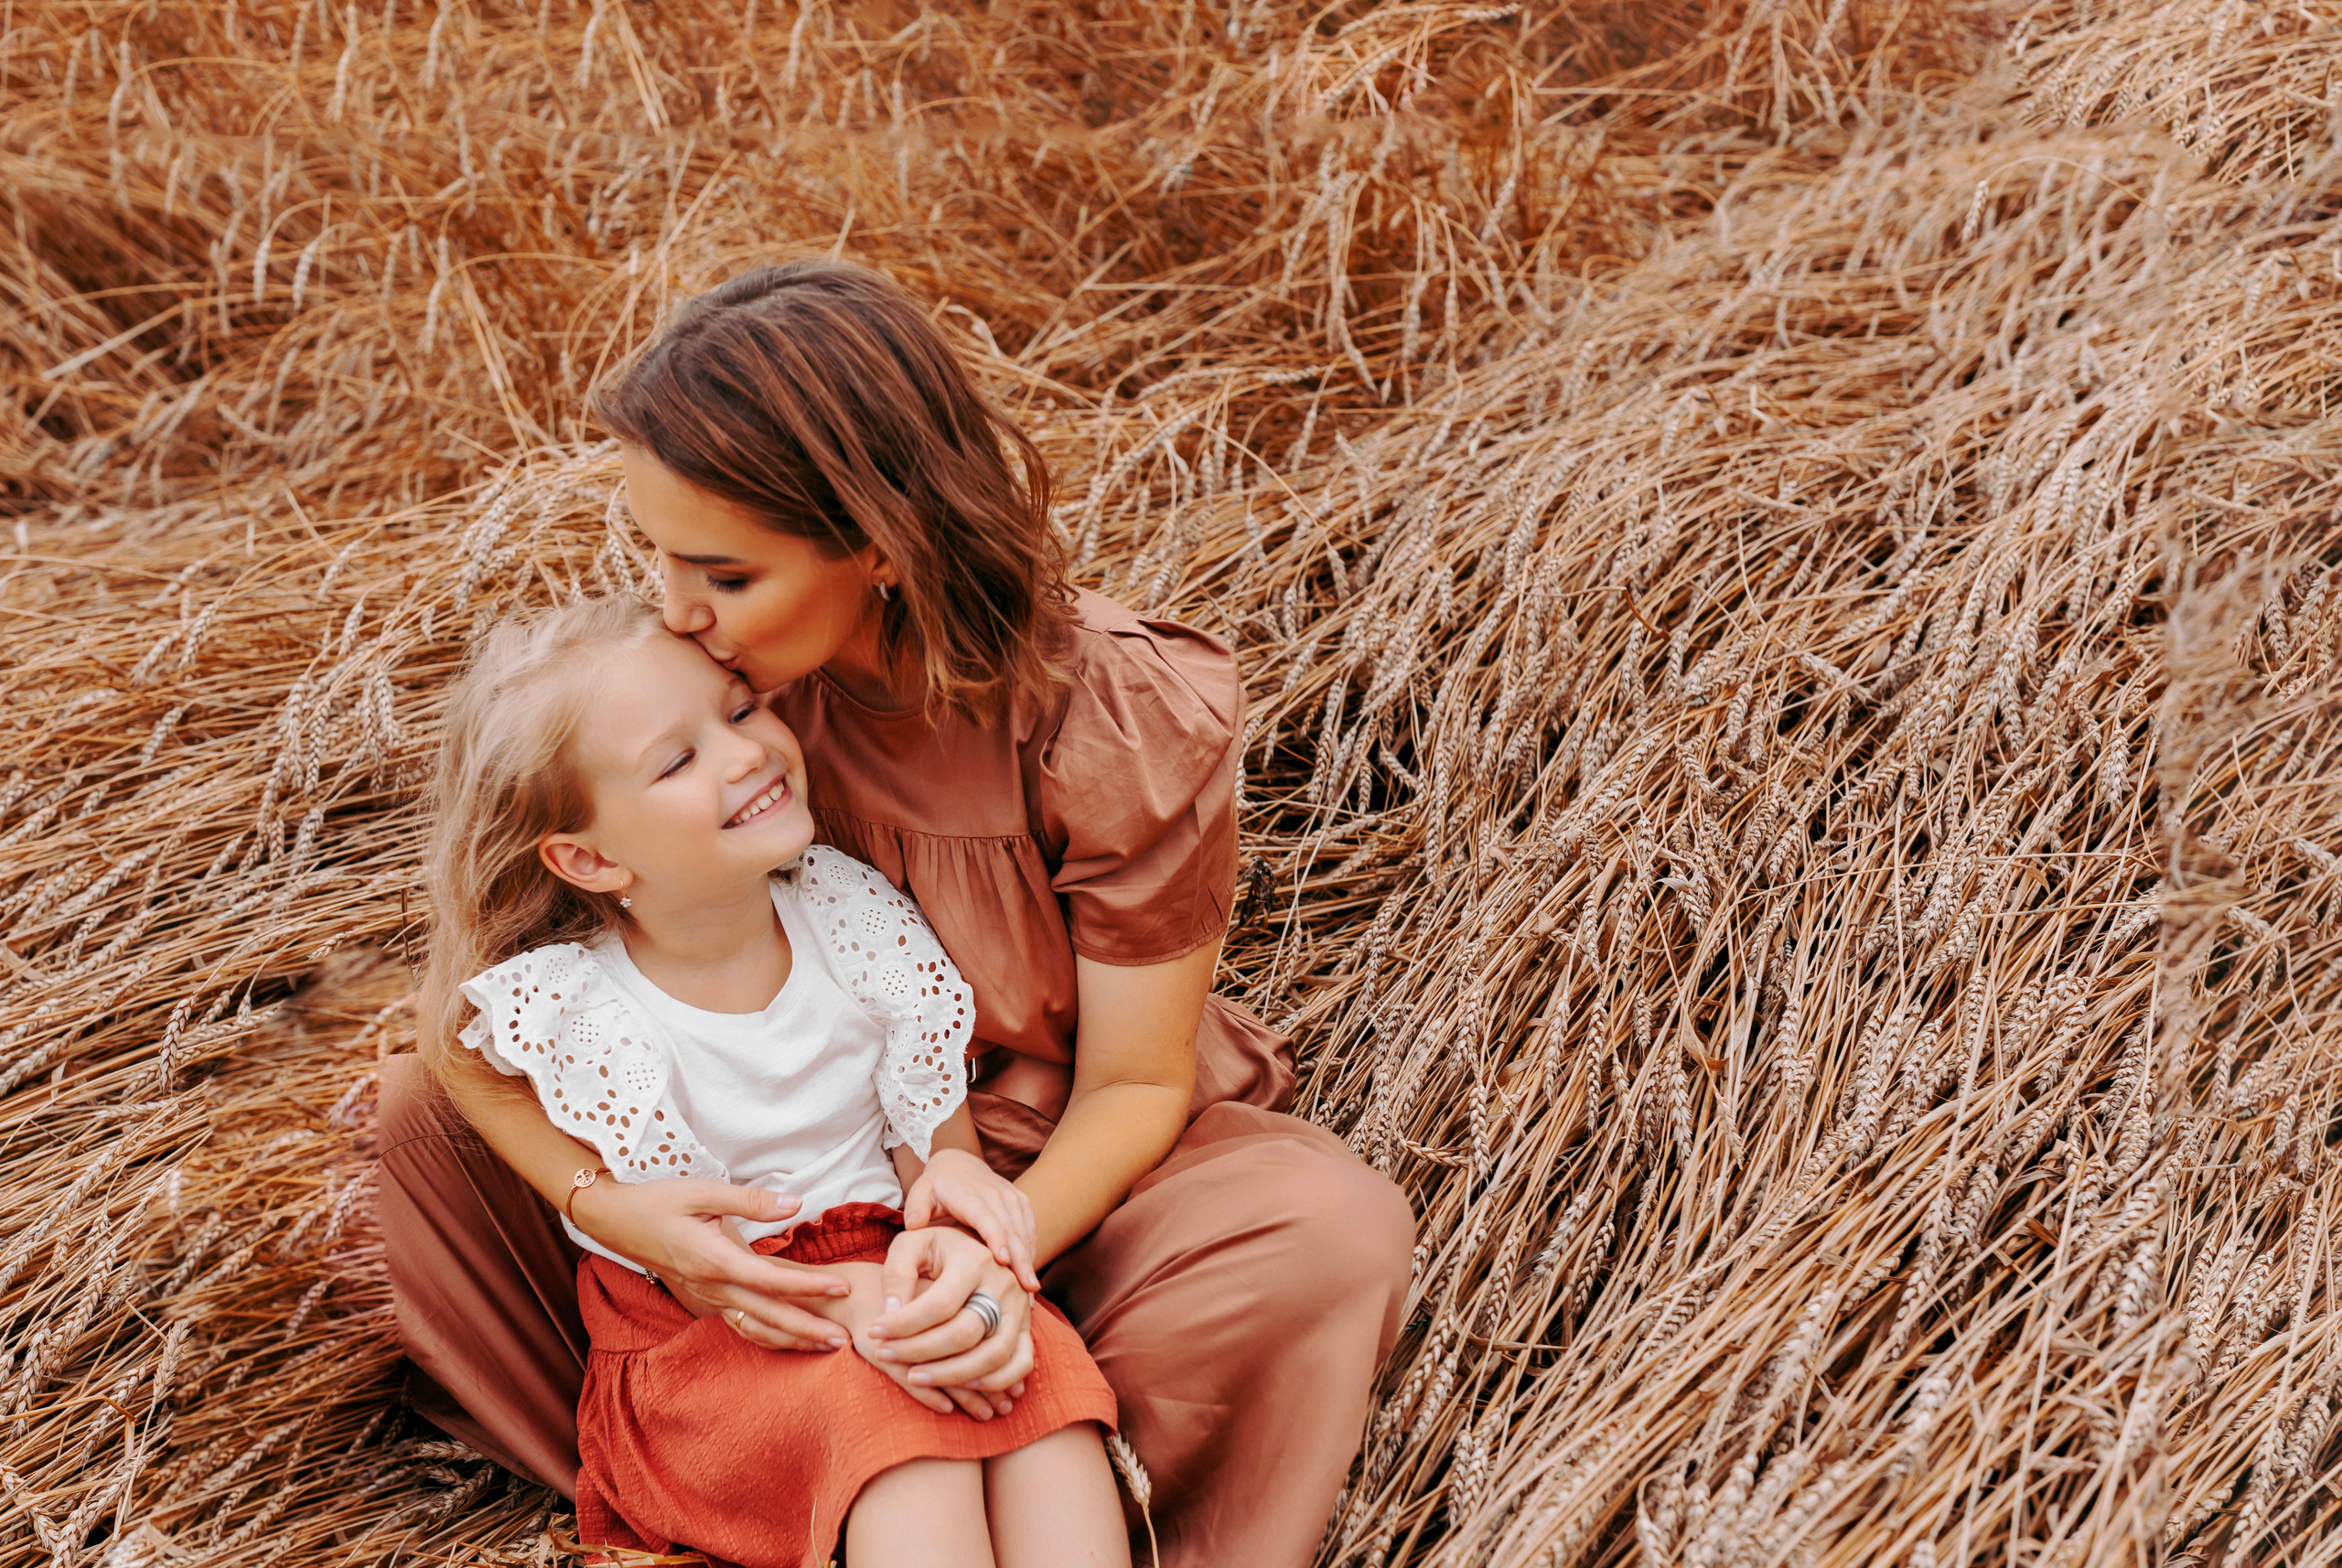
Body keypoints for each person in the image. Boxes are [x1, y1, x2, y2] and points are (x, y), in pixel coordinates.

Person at [375, 259, 1416, 1568]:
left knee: (1329, 1231)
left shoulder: (1114, 716)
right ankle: (728, 1466)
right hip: (769, 1192)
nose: (679, 608)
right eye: (657, 555)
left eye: (723, 573)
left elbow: (1137, 1085)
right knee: (424, 1121)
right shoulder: (716, 701)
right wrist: (620, 1207)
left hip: (1049, 1160)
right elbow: (474, 1005)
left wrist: (993, 1237)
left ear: (877, 543)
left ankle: (1042, 1456)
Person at [419, 596, 1124, 1567]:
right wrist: (599, 1201)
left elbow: (931, 1136)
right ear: (589, 857)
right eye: (677, 760)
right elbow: (454, 1057)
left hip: (890, 1264)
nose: (745, 751)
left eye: (741, 710)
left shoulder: (851, 913)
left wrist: (956, 1185)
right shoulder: (576, 1002)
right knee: (899, 1426)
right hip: (714, 1330)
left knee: (1038, 1394)